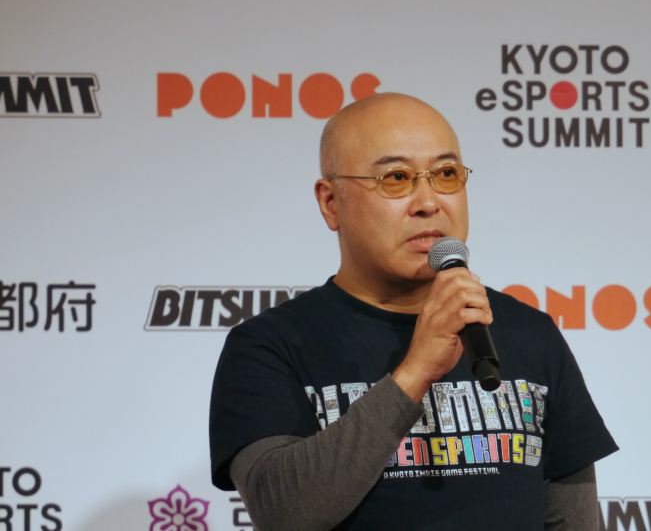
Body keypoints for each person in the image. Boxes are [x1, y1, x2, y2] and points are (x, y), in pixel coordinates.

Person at [209, 93, 618, 530]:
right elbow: (283, 513)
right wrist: (415, 372)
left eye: (446, 174)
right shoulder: (270, 345)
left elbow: (572, 520)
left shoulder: (529, 333)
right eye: (396, 178)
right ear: (331, 203)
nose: (428, 202)